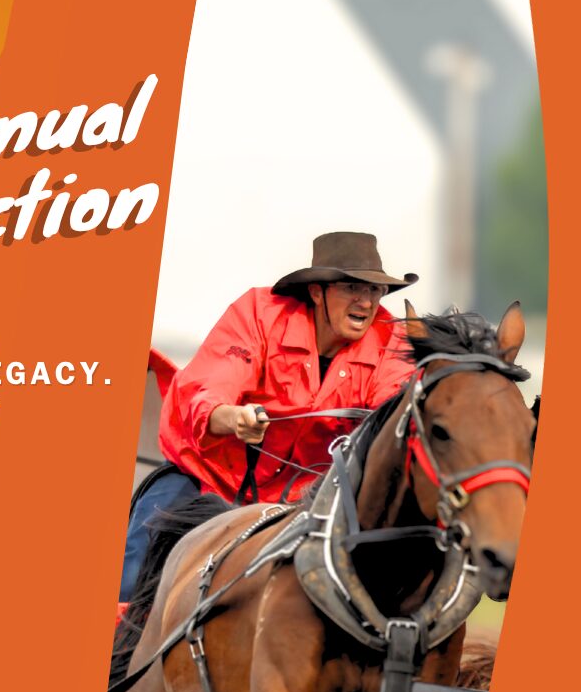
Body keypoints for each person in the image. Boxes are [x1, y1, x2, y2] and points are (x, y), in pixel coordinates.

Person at [120, 232, 418, 600]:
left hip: (302, 503)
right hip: (205, 478)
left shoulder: (392, 343)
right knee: (131, 579)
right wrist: (232, 417)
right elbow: (211, 387)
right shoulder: (258, 314)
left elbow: (394, 415)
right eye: (352, 287)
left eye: (374, 290)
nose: (365, 301)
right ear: (317, 292)